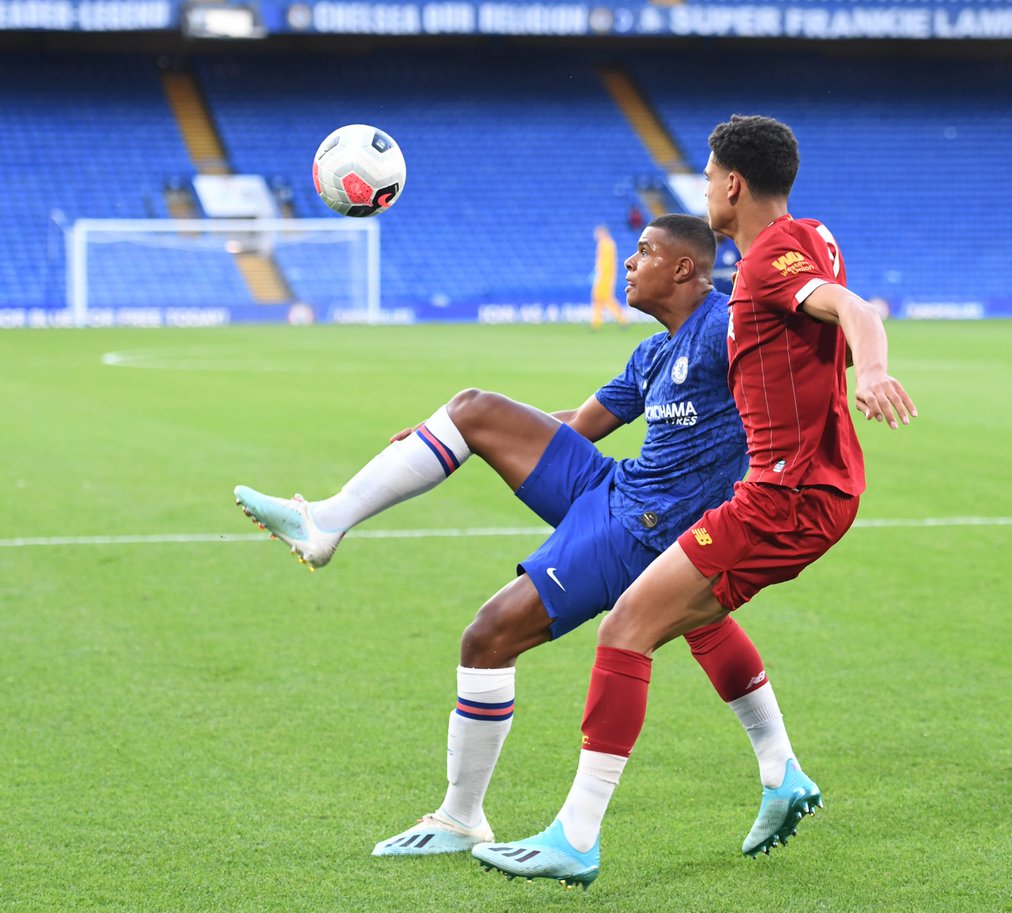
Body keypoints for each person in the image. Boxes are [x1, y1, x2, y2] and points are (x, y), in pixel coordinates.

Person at [234, 214, 805, 860]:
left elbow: (803, 338)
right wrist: (446, 435)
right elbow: (576, 426)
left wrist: (863, 359)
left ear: (682, 268)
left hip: (645, 529)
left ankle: (462, 817)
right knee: (472, 409)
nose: (628, 262)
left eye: (644, 251)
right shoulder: (652, 353)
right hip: (615, 488)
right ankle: (327, 520)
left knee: (489, 637)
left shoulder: (726, 324)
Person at [472, 115, 917, 889]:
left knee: (627, 626)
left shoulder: (767, 260)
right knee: (690, 615)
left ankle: (576, 837)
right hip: (811, 486)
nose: (705, 189)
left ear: (733, 184)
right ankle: (781, 772)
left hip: (785, 496)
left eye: (709, 177)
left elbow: (857, 310)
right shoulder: (813, 235)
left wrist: (871, 369)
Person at [590, 224, 628, 329]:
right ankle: (596, 323)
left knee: (605, 298)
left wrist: (599, 273)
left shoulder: (606, 244)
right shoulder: (608, 243)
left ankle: (622, 319)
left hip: (605, 276)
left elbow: (605, 262)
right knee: (598, 298)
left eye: (598, 232)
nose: (596, 235)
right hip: (605, 275)